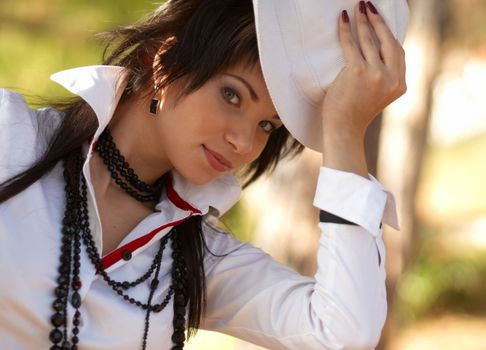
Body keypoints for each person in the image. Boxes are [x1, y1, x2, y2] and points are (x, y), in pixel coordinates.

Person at [0, 0, 408, 349]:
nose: (245, 143)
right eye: (231, 95)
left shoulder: (199, 258)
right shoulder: (11, 139)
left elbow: (343, 334)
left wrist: (344, 131)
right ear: (162, 64)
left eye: (268, 125)